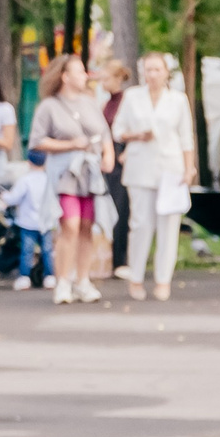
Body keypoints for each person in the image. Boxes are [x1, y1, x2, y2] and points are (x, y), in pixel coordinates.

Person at [111, 52, 197, 300]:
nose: (152, 74)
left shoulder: (178, 100)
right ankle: (136, 277)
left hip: (170, 168)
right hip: (140, 168)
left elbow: (186, 137)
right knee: (141, 225)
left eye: (157, 69)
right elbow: (118, 130)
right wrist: (137, 135)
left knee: (168, 226)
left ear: (166, 72)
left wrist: (188, 168)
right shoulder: (132, 97)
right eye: (148, 70)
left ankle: (163, 279)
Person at [27, 54, 112, 305]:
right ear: (64, 76)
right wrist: (69, 144)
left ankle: (83, 280)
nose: (84, 75)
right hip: (65, 173)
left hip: (90, 173)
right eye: (79, 71)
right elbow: (37, 141)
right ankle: (63, 280)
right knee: (70, 225)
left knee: (87, 226)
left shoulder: (90, 103)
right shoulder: (49, 107)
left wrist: (108, 154)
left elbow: (104, 134)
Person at [98, 58, 133, 279]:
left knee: (121, 208)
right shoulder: (106, 103)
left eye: (106, 79)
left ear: (118, 79)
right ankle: (108, 257)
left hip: (121, 155)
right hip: (107, 155)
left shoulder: (126, 101)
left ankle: (121, 259)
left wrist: (126, 153)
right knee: (107, 207)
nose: (103, 83)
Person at [2, 148, 54, 292]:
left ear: (29, 162)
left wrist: (4, 196)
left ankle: (24, 277)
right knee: (47, 250)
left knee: (27, 251)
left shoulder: (25, 180)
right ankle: (50, 277)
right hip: (46, 222)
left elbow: (14, 198)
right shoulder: (49, 179)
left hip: (28, 223)